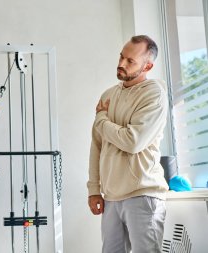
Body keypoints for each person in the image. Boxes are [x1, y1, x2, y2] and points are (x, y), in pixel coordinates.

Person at [87, 35, 169, 253]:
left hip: (143, 193)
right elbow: (97, 145)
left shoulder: (154, 93)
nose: (121, 64)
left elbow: (133, 141)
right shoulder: (108, 95)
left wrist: (102, 119)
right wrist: (94, 189)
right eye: (121, 57)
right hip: (111, 197)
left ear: (148, 66)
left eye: (130, 61)